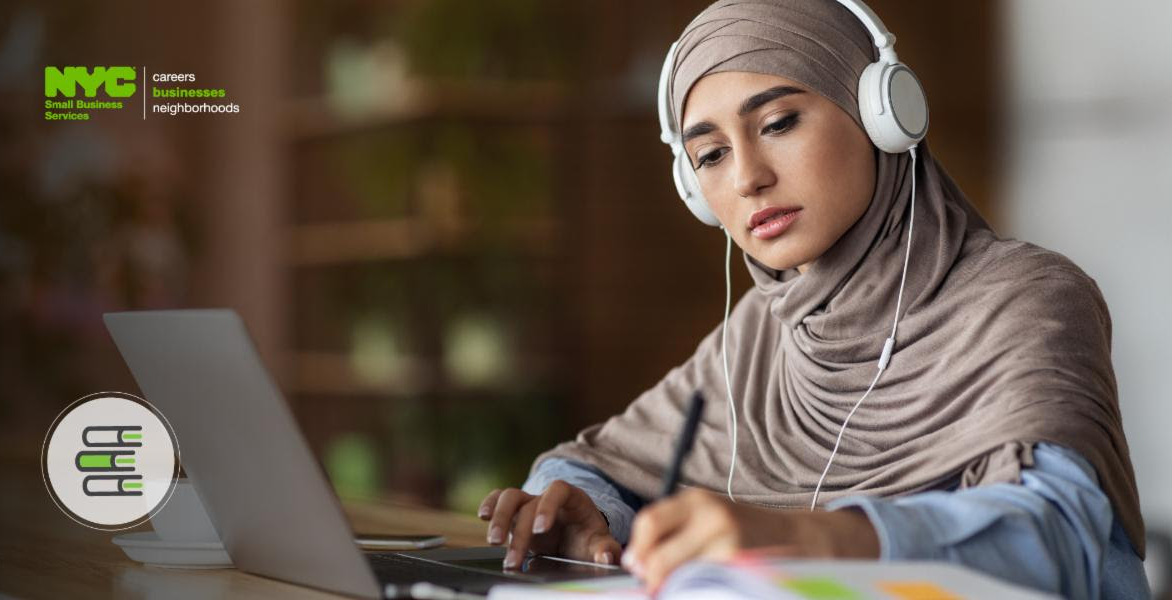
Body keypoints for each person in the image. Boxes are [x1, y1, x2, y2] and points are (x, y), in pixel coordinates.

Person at [477, 1, 1150, 598]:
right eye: (709, 156)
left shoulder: (1024, 297)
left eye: (778, 122)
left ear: (884, 114)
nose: (747, 177)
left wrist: (812, 535)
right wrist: (591, 509)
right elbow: (597, 460)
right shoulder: (759, 336)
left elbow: (1055, 539)